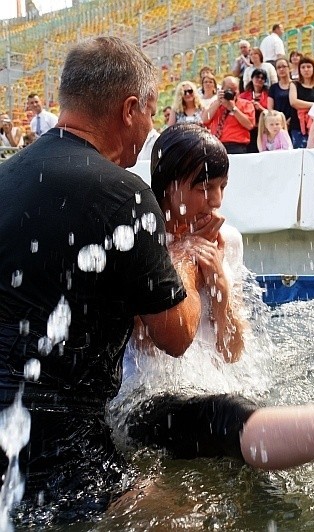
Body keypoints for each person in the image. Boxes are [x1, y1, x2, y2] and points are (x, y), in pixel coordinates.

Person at [123, 122, 314, 476]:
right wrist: (183, 261)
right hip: (150, 399)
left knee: (246, 427)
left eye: (222, 187)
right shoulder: (140, 242)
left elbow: (232, 351)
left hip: (214, 391)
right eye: (204, 188)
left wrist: (222, 297)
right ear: (168, 186)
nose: (217, 201)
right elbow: (151, 345)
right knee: (225, 418)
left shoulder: (228, 241)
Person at [0, 36, 199, 522]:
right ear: (130, 109)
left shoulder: (6, 176)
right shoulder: (122, 196)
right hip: (60, 453)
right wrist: (185, 259)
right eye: (151, 114)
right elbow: (177, 336)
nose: (150, 129)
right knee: (186, 511)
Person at [201, 76, 255, 154]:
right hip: (217, 145)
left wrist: (233, 108)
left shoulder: (246, 104)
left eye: (234, 90)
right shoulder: (216, 104)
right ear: (222, 89)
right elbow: (205, 120)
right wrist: (217, 102)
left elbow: (249, 125)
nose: (232, 93)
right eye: (229, 89)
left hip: (236, 146)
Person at [288, 56, 314, 148]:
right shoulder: (294, 84)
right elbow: (294, 102)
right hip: (297, 126)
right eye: (303, 67)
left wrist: (303, 105)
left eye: (309, 67)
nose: (306, 70)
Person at [239, 68, 271, 152]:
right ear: (252, 78)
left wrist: (261, 109)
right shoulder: (243, 96)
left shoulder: (269, 95)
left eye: (262, 78)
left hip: (264, 128)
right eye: (257, 77)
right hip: (249, 129)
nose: (259, 79)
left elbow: (272, 113)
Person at [268, 56, 296, 131]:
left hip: (294, 124)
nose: (281, 69)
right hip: (278, 125)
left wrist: (289, 121)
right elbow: (270, 108)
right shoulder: (273, 88)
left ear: (289, 68)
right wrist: (279, 122)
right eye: (278, 67)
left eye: (284, 66)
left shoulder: (296, 85)